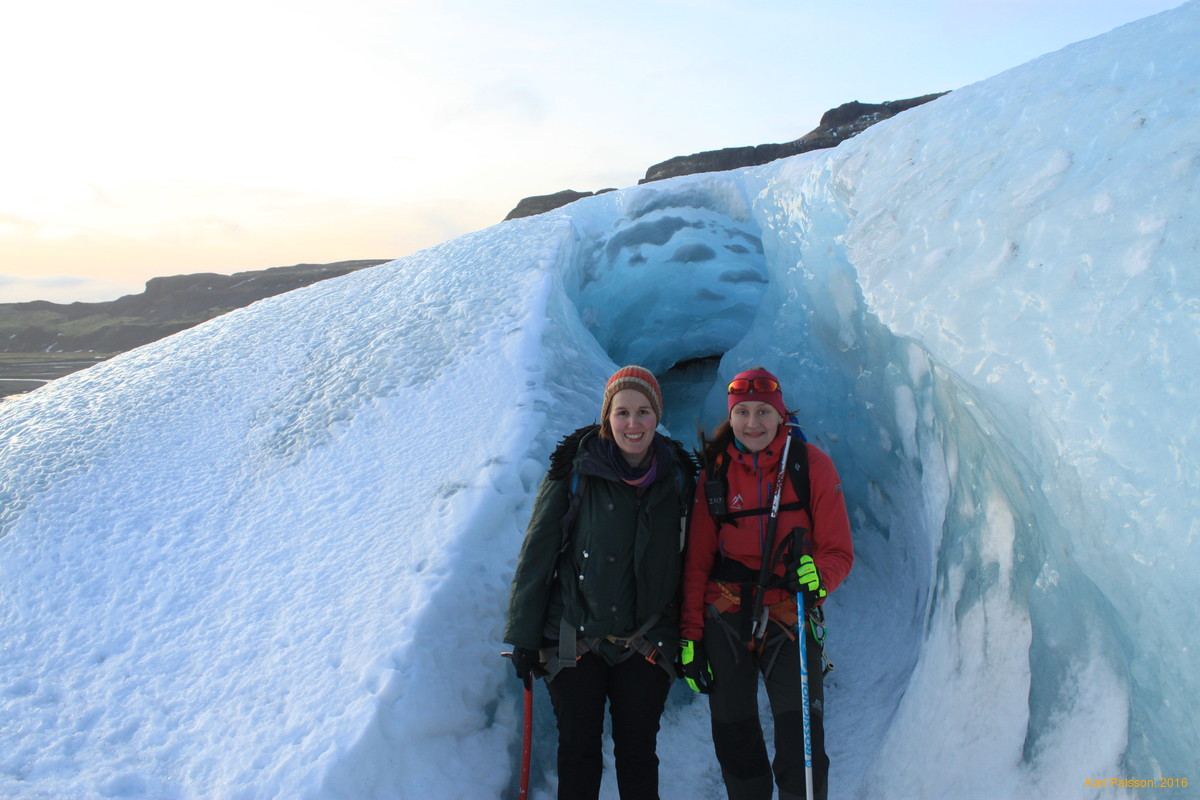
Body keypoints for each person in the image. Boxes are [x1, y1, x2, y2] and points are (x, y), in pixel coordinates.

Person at [504, 365, 696, 800]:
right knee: (577, 753)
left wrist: (688, 636)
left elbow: (692, 564)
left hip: (647, 642)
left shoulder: (679, 476)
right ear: (607, 415)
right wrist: (523, 634)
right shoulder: (576, 467)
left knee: (638, 754)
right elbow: (538, 554)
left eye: (644, 411)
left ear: (657, 416)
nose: (633, 424)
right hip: (575, 638)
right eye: (622, 412)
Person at [679, 367, 853, 800]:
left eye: (762, 412)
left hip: (789, 612)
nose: (752, 423)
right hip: (727, 613)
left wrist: (818, 578)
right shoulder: (715, 472)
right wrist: (691, 637)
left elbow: (838, 552)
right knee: (735, 740)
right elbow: (697, 563)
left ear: (780, 416)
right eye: (742, 412)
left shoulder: (810, 465)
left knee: (802, 748)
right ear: (730, 417)